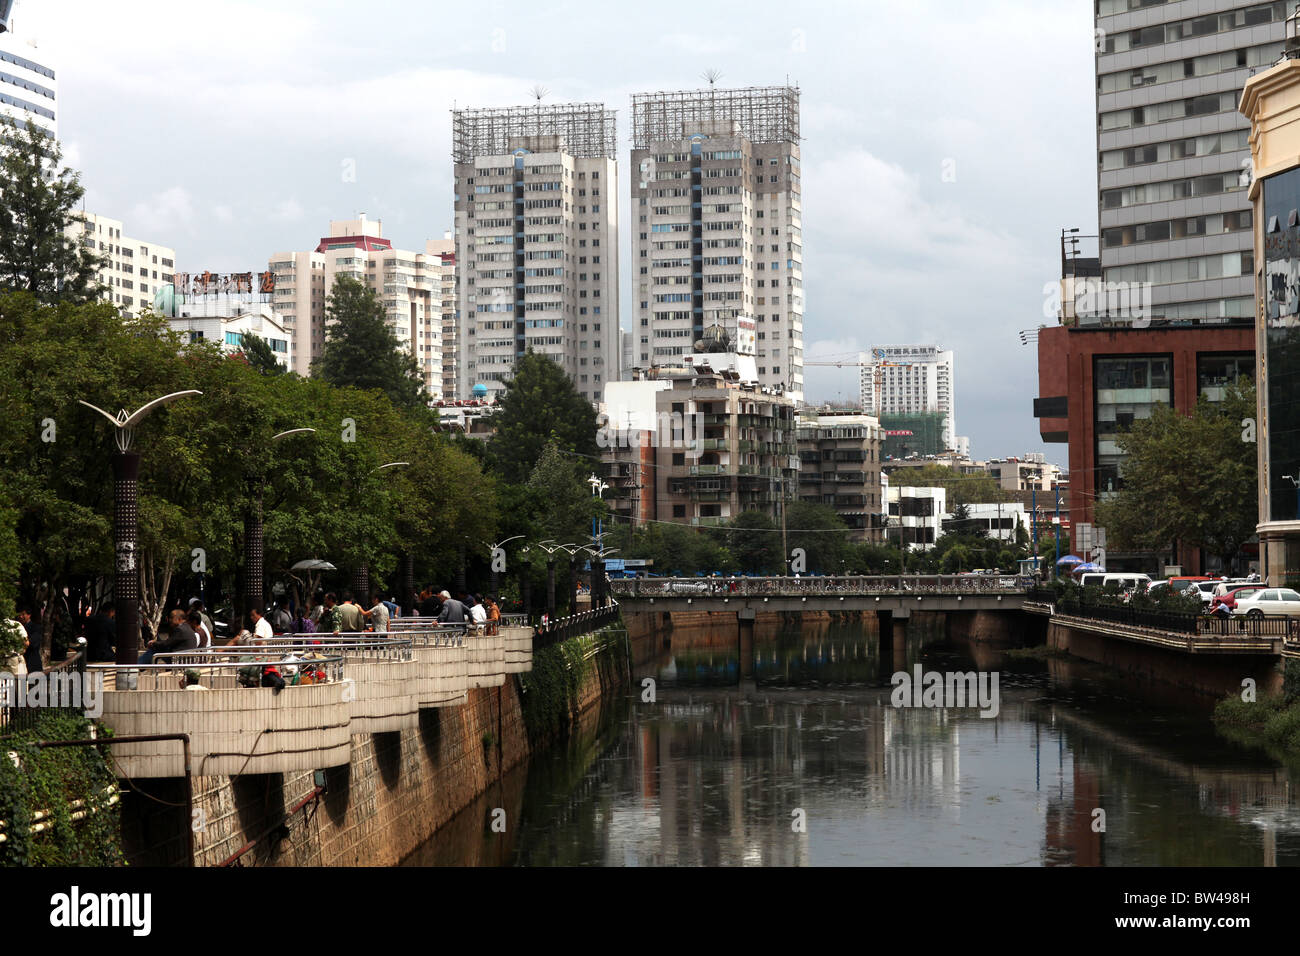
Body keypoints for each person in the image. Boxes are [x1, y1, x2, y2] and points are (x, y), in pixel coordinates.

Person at [17, 607, 42, 673]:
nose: (21, 616)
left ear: (29, 615)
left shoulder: (35, 627)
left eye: (23, 614)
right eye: (19, 615)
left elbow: (29, 643)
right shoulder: (17, 628)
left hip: (32, 661)